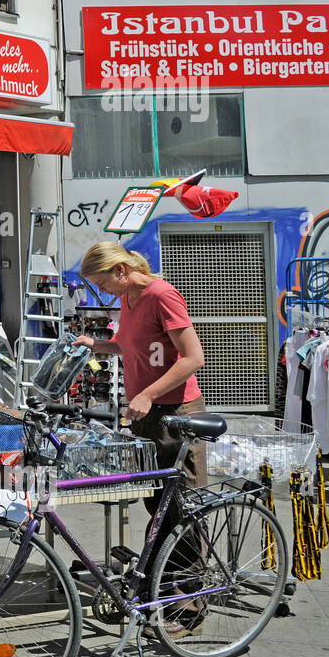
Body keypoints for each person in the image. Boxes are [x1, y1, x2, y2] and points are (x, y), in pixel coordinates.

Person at [73, 241, 207, 635]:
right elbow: (133, 345)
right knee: (159, 508)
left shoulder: (161, 295)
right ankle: (165, 592)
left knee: (182, 509)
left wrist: (148, 393)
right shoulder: (130, 300)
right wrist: (98, 345)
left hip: (175, 415)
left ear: (120, 270)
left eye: (102, 283)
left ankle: (191, 607)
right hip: (147, 415)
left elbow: (192, 356)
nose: (103, 293)